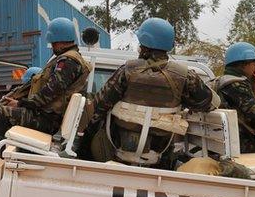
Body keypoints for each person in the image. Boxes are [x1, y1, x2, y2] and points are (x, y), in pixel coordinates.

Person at [80, 18, 219, 168]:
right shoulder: (185, 76)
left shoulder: (127, 71)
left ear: (144, 46)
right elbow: (209, 103)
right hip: (160, 154)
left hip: (117, 149)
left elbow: (100, 105)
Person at [0, 17, 92, 171]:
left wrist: (21, 103)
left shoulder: (68, 61)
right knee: (1, 110)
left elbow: (49, 92)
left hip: (47, 120)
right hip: (46, 116)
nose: (52, 47)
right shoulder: (69, 59)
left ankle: (3, 158)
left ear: (60, 41)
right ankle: (7, 155)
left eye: (53, 43)